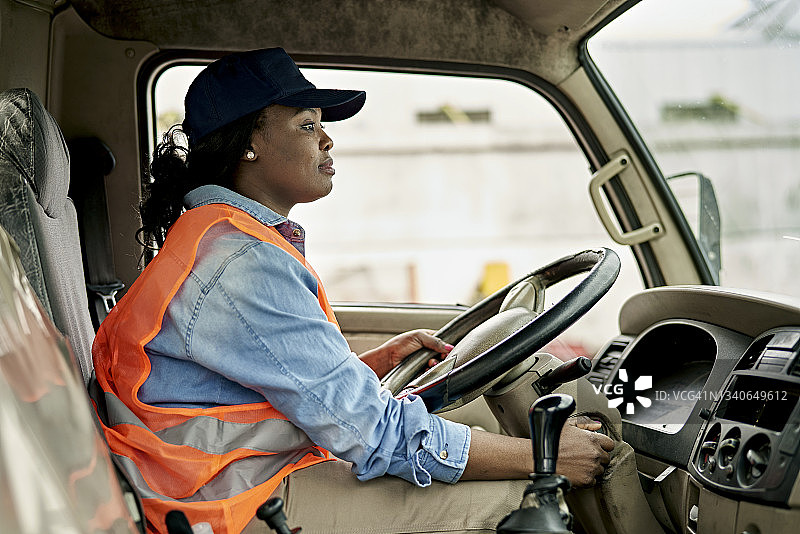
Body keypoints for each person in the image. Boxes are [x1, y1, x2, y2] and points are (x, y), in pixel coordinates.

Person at [91, 47, 614, 534]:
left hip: (220, 481)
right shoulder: (242, 262)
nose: (327, 139)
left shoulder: (220, 238)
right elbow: (375, 436)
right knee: (521, 499)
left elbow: (249, 396)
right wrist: (544, 458)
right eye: (307, 125)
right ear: (250, 143)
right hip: (227, 504)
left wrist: (369, 367)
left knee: (470, 431)